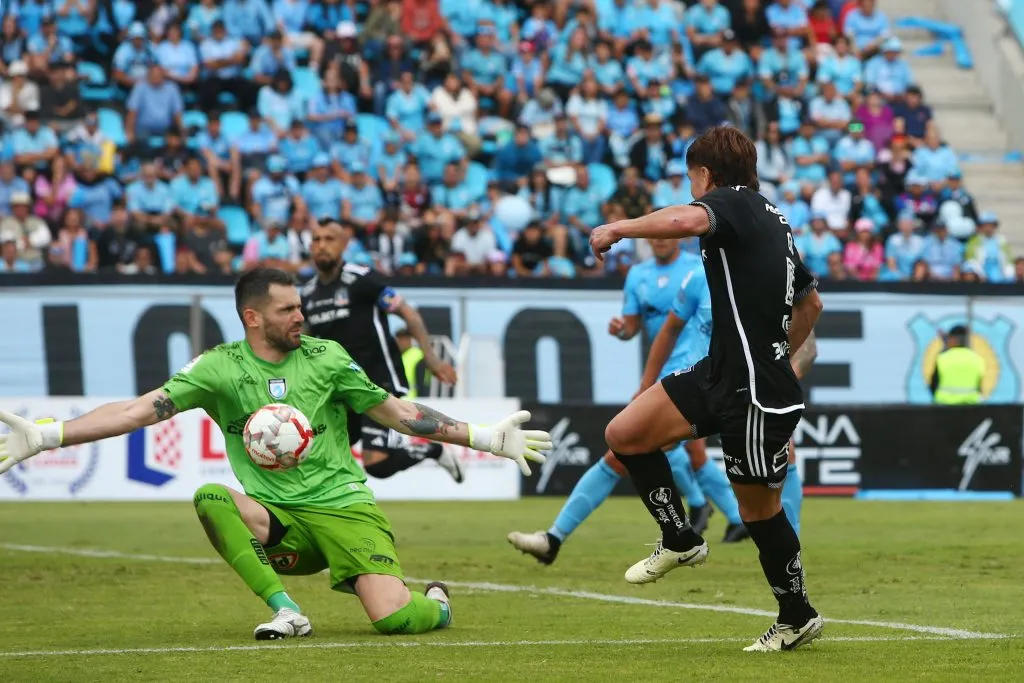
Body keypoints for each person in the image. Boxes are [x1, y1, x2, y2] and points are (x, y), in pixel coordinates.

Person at [0, 268, 551, 640]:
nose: (300, 316)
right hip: (278, 522)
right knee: (212, 495)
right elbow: (140, 410)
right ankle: (286, 610)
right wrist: (49, 436)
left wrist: (481, 437)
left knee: (394, 618)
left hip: (343, 507)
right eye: (288, 309)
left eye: (300, 306)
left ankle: (437, 601)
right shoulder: (218, 368)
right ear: (252, 317)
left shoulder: (327, 358)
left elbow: (398, 412)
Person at [588, 126, 824, 651]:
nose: (690, 185)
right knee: (625, 433)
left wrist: (617, 228)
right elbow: (811, 304)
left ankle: (796, 615)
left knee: (758, 512)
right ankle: (679, 537)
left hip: (756, 388)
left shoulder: (732, 203)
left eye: (690, 174)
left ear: (705, 173)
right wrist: (781, 350)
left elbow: (684, 219)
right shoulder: (772, 219)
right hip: (719, 372)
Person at [506, 238, 747, 567]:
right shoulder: (638, 275)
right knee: (669, 452)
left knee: (635, 451)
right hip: (663, 377)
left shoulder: (697, 268)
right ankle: (724, 514)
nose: (661, 240)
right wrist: (622, 330)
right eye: (656, 236)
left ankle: (555, 537)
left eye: (667, 234)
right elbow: (634, 327)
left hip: (696, 373)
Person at [300, 219, 465, 483]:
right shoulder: (307, 294)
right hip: (339, 389)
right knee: (321, 455)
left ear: (343, 245)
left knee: (376, 464)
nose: (322, 246)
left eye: (329, 239)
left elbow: (407, 313)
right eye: (316, 240)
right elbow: (304, 343)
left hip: (378, 381)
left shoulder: (362, 279)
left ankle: (431, 448)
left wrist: (431, 359)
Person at [930, 325, 985, 405]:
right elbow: (979, 387)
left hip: (944, 407)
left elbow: (933, 385)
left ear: (953, 339)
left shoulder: (942, 358)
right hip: (971, 408)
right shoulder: (978, 359)